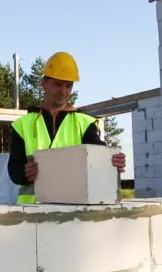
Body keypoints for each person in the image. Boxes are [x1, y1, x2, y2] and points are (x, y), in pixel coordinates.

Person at [7, 51, 126, 204]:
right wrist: (24, 172)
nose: (63, 92)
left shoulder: (84, 122)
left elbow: (99, 158)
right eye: (57, 84)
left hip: (72, 213)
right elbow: (14, 170)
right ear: (44, 83)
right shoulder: (22, 125)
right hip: (32, 214)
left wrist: (113, 160)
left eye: (68, 86)